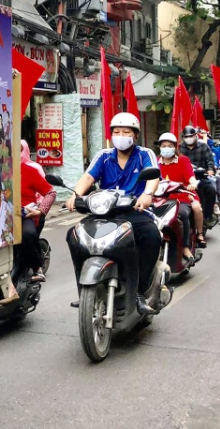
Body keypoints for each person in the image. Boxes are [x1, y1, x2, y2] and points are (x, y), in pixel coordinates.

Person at [67, 112, 161, 315]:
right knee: (74, 236)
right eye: (116, 131)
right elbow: (88, 178)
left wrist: (147, 194)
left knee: (151, 235)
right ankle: (84, 290)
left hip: (134, 211)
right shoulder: (103, 156)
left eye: (126, 131)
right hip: (105, 212)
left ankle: (140, 290)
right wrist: (75, 195)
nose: (121, 135)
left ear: (135, 135)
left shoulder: (145, 154)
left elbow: (153, 176)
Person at [156, 132, 202, 260]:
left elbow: (190, 177)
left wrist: (192, 184)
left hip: (181, 197)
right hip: (160, 199)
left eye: (169, 146)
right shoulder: (155, 162)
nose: (166, 148)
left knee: (182, 214)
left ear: (175, 147)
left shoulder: (183, 160)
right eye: (163, 146)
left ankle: (185, 247)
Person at [19, 140, 57, 282]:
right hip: (1, 216)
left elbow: (50, 193)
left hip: (25, 214)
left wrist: (41, 210)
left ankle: (37, 268)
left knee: (28, 234)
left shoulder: (30, 170)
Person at [179, 126, 216, 225]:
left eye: (191, 136)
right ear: (183, 137)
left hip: (201, 177)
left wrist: (210, 169)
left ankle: (208, 215)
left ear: (196, 136)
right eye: (186, 136)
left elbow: (210, 160)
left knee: (212, 190)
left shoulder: (203, 146)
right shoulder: (179, 148)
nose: (189, 138)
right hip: (185, 179)